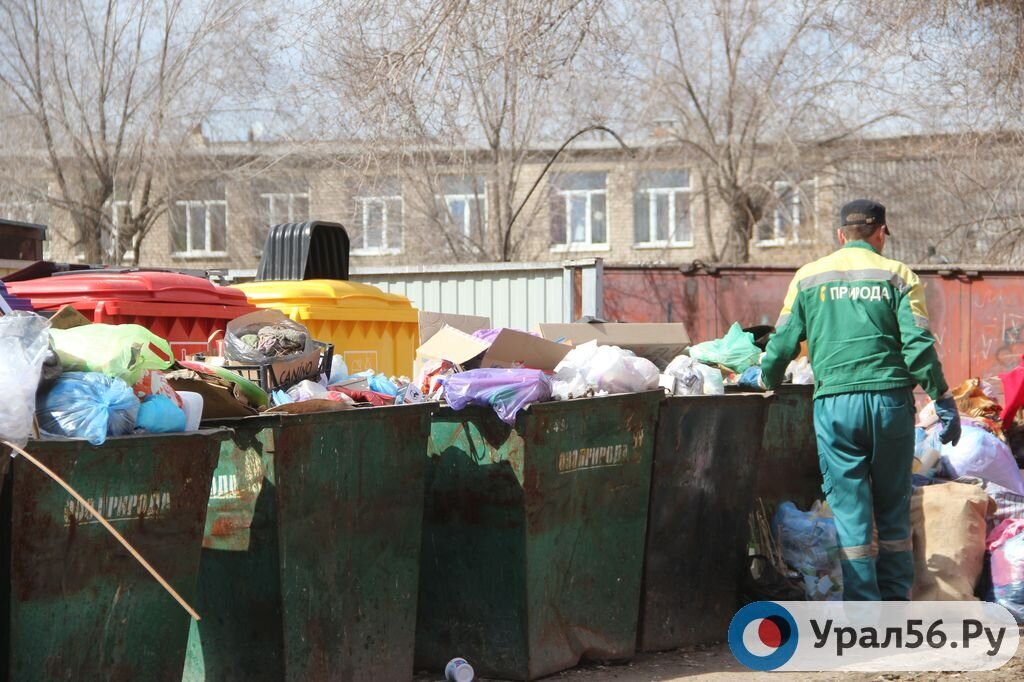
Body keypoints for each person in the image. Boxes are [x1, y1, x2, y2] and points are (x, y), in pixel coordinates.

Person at [740, 199, 961, 601]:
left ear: (841, 235)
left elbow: (785, 340)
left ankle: (863, 619)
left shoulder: (808, 277)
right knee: (893, 506)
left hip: (836, 406)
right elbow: (918, 346)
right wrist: (940, 395)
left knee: (851, 511)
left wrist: (766, 376)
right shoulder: (899, 276)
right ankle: (896, 609)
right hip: (890, 403)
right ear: (880, 234)